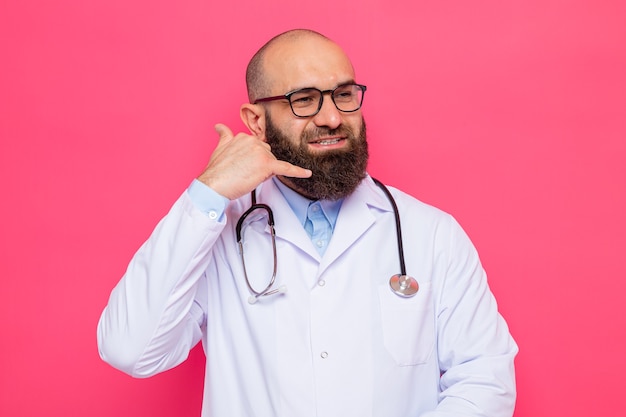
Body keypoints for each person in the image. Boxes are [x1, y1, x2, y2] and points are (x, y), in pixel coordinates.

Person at [97, 29, 518, 417]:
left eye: (344, 94)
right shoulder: (217, 231)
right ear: (256, 121)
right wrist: (208, 193)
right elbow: (130, 349)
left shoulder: (432, 235)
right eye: (304, 99)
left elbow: (485, 380)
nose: (332, 117)